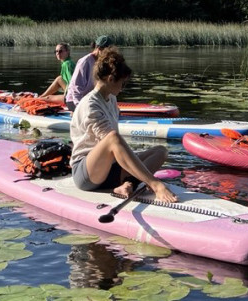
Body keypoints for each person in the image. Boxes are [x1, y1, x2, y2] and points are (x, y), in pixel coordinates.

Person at [69, 47, 177, 203]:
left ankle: (128, 184)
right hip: (87, 174)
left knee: (161, 151)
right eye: (122, 83)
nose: (123, 87)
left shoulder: (111, 99)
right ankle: (156, 185)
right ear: (111, 79)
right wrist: (153, 181)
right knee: (113, 138)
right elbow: (112, 142)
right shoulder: (90, 105)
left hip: (111, 169)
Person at [65, 35, 114, 109]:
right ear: (99, 49)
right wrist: (80, 108)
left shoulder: (103, 63)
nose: (109, 55)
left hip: (91, 99)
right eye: (108, 52)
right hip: (75, 101)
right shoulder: (85, 61)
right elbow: (76, 87)